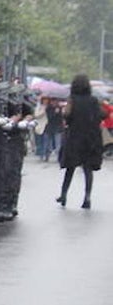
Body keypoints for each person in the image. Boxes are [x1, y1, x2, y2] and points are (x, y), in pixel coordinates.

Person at [57, 74, 103, 209]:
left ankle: (63, 194)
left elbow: (67, 115)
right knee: (88, 169)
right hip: (90, 138)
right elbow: (101, 115)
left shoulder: (72, 99)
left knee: (70, 168)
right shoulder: (93, 100)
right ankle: (87, 197)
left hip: (74, 137)